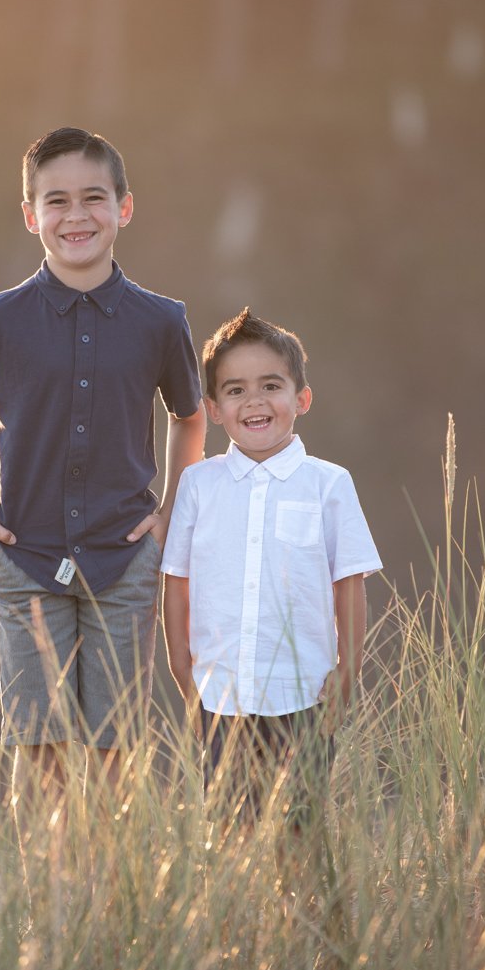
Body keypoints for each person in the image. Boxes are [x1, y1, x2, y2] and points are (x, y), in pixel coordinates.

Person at [0, 127, 207, 803]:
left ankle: (110, 902)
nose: (75, 215)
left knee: (116, 754)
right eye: (55, 201)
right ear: (31, 216)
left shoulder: (160, 320)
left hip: (124, 562)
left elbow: (190, 415)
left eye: (93, 197)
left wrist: (172, 510)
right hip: (25, 559)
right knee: (41, 757)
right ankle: (52, 906)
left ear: (125, 207)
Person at [161, 307, 382, 830]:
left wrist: (347, 673)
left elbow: (348, 585)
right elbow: (176, 585)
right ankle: (241, 915)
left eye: (271, 385)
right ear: (214, 409)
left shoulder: (328, 484)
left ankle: (299, 912)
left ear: (300, 399)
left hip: (304, 696)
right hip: (220, 697)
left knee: (299, 831)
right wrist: (182, 674)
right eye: (235, 390)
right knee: (231, 832)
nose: (255, 401)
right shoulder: (199, 484)